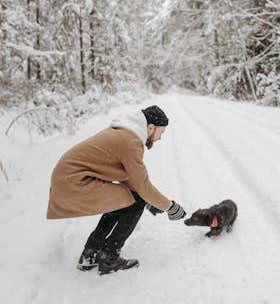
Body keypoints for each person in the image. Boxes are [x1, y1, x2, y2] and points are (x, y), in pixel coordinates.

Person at [47, 105, 186, 275]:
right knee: (134, 201)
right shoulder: (131, 141)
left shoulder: (124, 133)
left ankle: (90, 253)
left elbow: (128, 177)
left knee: (126, 199)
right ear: (151, 128)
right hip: (74, 183)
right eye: (160, 133)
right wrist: (170, 207)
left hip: (67, 180)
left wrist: (149, 200)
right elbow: (142, 184)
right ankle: (109, 257)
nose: (159, 138)